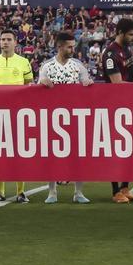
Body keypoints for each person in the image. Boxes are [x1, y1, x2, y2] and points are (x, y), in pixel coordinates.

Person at [38, 31, 93, 204]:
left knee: (78, 154)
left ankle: (78, 192)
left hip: (75, 116)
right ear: (59, 46)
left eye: (73, 46)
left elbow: (87, 81)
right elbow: (39, 83)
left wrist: (87, 83)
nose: (73, 49)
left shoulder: (78, 65)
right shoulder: (47, 66)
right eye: (69, 46)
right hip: (53, 117)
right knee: (52, 155)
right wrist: (42, 82)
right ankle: (52, 192)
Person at [0, 29, 34, 203]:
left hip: (18, 113)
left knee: (19, 153)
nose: (5, 42)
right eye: (2, 39)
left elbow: (28, 86)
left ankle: (21, 192)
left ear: (15, 42)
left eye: (8, 39)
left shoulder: (24, 62)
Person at [99, 17, 133, 203]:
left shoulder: (126, 50)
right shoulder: (110, 54)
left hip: (128, 104)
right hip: (114, 106)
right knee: (116, 149)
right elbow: (116, 83)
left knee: (129, 148)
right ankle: (115, 191)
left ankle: (125, 187)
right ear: (120, 33)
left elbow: (130, 78)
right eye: (130, 34)